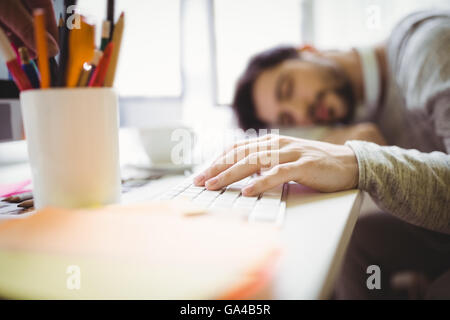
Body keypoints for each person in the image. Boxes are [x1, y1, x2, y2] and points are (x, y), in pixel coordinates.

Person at [194, 10, 450, 299]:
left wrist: (361, 163)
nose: (303, 114)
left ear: (308, 50)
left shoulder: (428, 49)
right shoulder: (363, 111)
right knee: (352, 245)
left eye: (288, 88)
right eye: (288, 119)